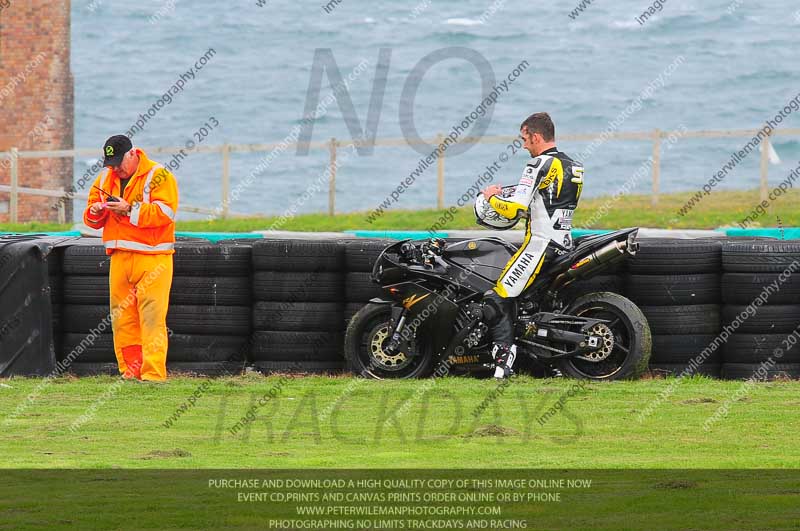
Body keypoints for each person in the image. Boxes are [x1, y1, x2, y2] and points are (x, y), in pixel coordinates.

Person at [480, 112, 584, 379]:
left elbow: (514, 208)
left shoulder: (538, 164)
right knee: (531, 305)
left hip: (540, 245)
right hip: (564, 243)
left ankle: (503, 361)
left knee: (496, 297)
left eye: (524, 139)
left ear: (536, 136)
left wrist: (492, 198)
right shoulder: (574, 166)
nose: (524, 145)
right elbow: (551, 205)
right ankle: (548, 364)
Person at [83, 135, 179, 381]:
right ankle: (130, 372)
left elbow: (165, 214)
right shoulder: (106, 176)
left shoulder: (159, 175)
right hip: (120, 258)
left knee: (152, 318)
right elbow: (91, 220)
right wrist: (96, 211)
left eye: (118, 163)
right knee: (123, 320)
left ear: (132, 154)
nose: (115, 169)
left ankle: (153, 375)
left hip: (153, 257)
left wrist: (129, 209)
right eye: (110, 163)